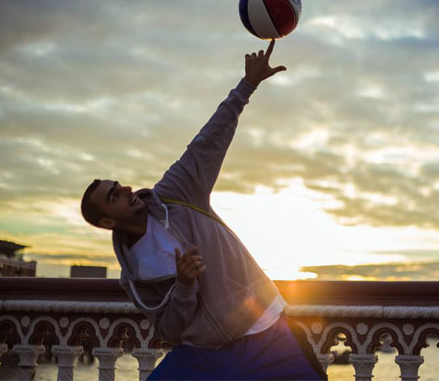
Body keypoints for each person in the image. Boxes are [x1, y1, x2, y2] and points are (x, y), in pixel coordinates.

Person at [81, 40, 327, 380]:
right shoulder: (134, 277)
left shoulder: (176, 193)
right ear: (108, 221)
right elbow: (169, 329)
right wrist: (183, 284)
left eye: (118, 185)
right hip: (204, 355)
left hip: (267, 331)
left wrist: (248, 85)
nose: (124, 189)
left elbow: (207, 142)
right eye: (113, 196)